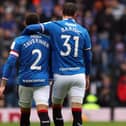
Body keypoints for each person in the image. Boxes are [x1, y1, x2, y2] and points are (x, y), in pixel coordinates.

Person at [22, 2, 92, 126]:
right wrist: (87, 75)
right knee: (77, 110)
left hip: (60, 74)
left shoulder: (54, 26)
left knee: (56, 106)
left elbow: (30, 28)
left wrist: (32, 38)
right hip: (79, 74)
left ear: (62, 12)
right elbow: (88, 56)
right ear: (76, 14)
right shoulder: (83, 31)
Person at [0, 13, 51, 126]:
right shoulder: (48, 40)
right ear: (38, 24)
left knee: (24, 114)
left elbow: (10, 62)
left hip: (25, 80)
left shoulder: (19, 40)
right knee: (43, 112)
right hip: (42, 80)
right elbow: (53, 60)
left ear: (25, 24)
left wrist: (3, 83)